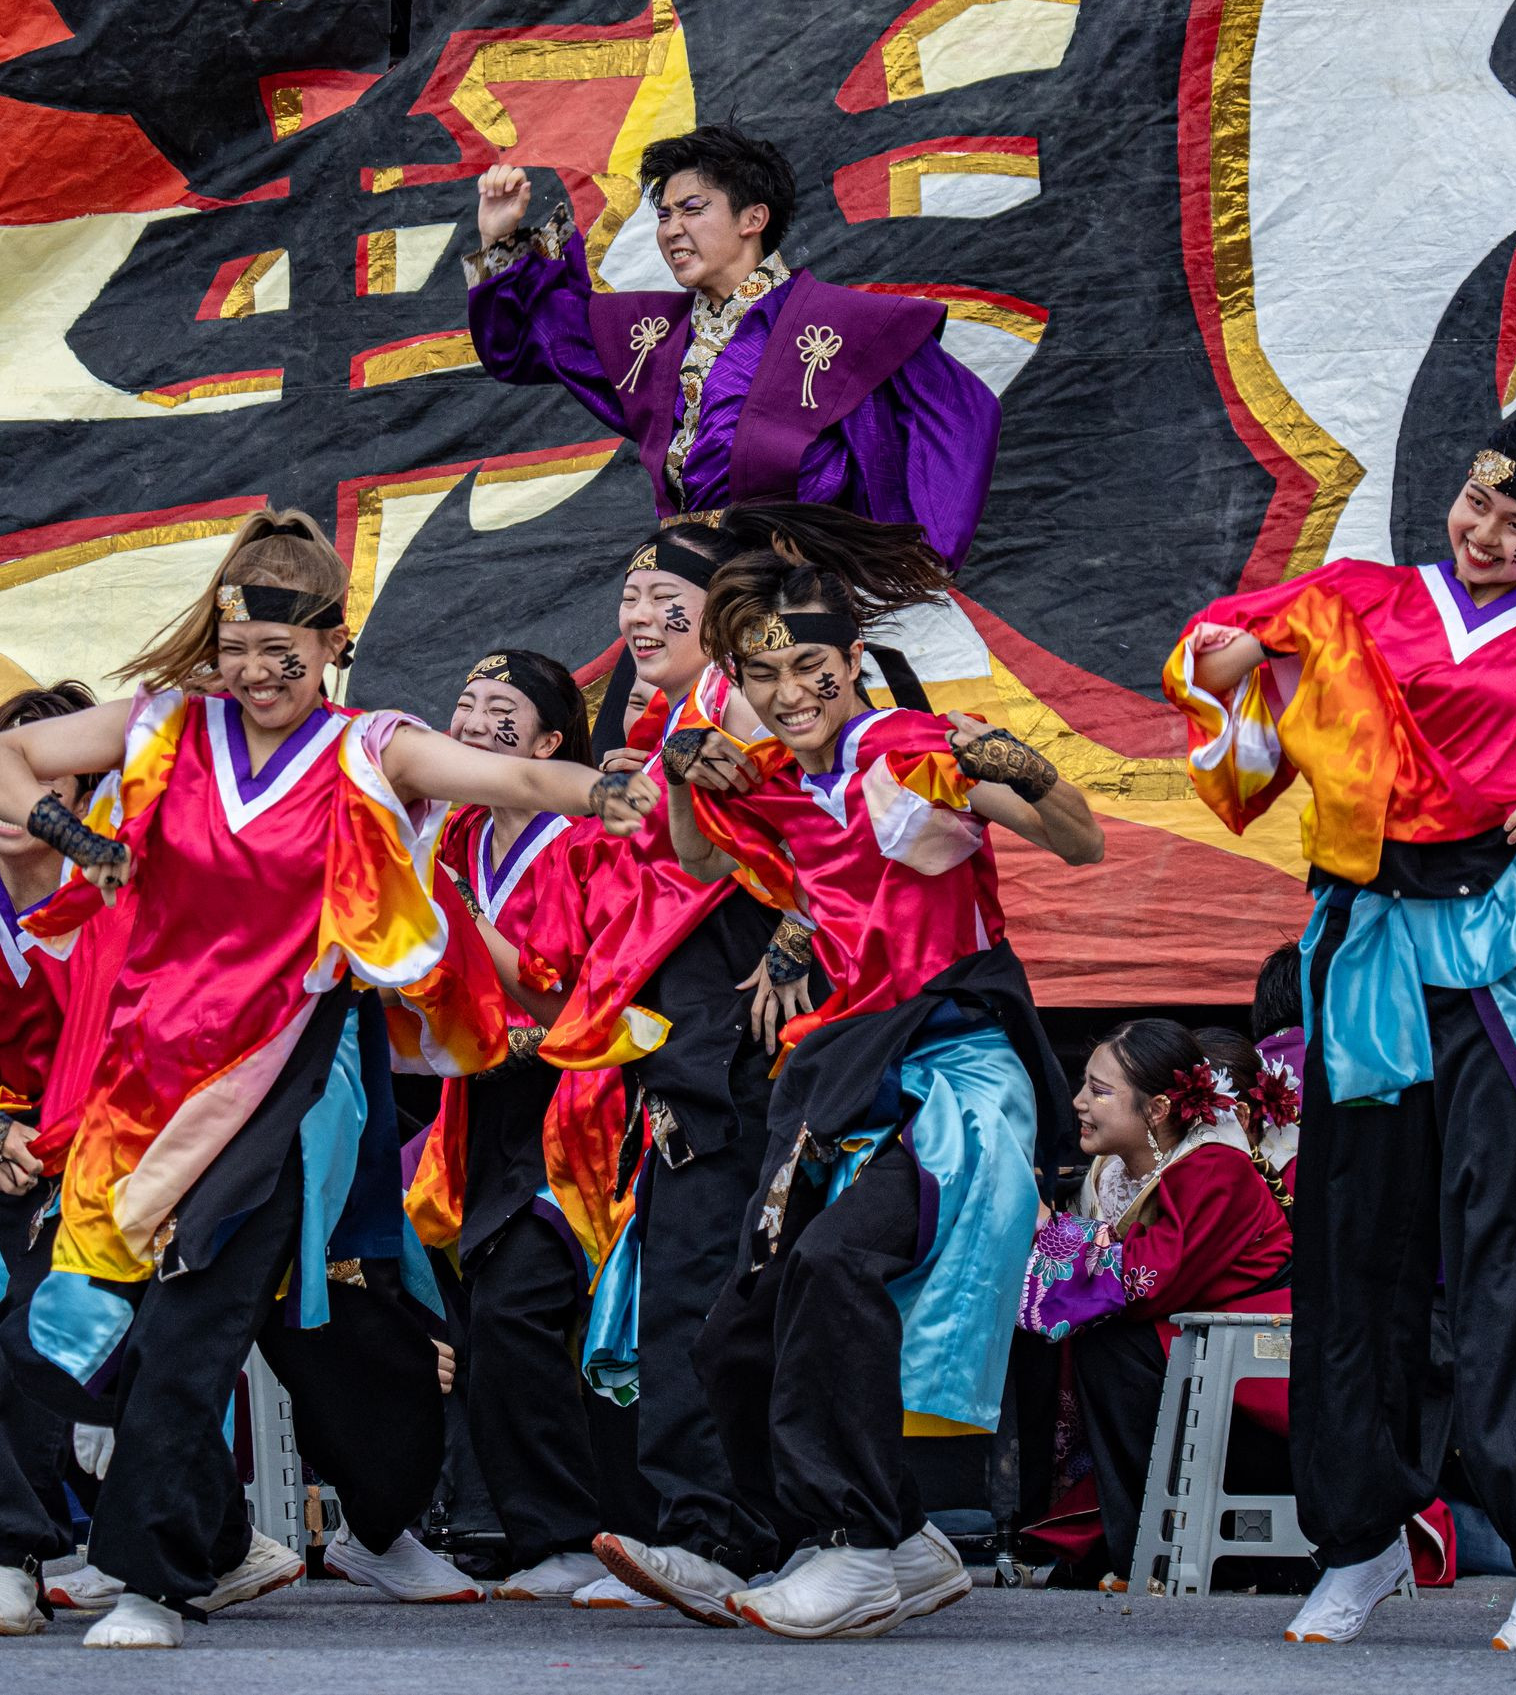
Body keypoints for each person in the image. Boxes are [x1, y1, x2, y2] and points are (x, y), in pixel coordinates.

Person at [0, 509, 649, 1650]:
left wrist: (600, 794)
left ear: (331, 644)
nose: (257, 674)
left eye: (283, 653)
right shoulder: (166, 724)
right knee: (66, 1316)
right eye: (236, 652)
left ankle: (152, 1584)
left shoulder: (365, 749)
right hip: (134, 1083)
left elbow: (509, 770)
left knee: (198, 1333)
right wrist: (78, 842)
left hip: (271, 1088)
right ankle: (44, 1545)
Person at [1169, 412, 1516, 1655]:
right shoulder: (1357, 596)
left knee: (1502, 1250)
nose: (1488, 537)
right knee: (1353, 1247)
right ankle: (1358, 1539)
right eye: (1477, 506)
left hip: (1494, 955)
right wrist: (1227, 667)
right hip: (1364, 948)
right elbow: (1220, 671)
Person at [653, 550, 1098, 1640]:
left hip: (952, 1070)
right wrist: (679, 772)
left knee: (833, 1266)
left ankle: (854, 1545)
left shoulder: (911, 752)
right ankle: (884, 1540)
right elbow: (698, 862)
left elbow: (1080, 841)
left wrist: (1027, 770)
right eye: (762, 676)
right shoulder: (770, 780)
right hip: (841, 1078)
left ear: (852, 659)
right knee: (738, 1327)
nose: (788, 693)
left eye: (808, 667)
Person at [552, 507, 955, 1608]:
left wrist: (791, 934)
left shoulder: (759, 699)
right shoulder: (673, 718)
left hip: (761, 1032)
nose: (638, 616)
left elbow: (842, 838)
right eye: (628, 598)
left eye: (665, 597)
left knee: (740, 1284)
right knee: (719, 1287)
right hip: (695, 1033)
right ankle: (820, 1527)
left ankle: (750, 1531)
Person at [467, 129, 1001, 562]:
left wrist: (903, 554)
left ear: (753, 219)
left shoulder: (844, 325)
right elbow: (534, 340)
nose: (672, 230)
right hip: (686, 583)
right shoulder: (654, 331)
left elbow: (960, 412)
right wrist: (497, 237)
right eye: (664, 215)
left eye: (692, 208)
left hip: (795, 590)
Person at [416, 649, 653, 1605]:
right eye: (465, 700)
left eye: (499, 707)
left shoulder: (590, 842)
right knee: (489, 1322)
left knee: (528, 1310)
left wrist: (462, 916)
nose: (472, 719)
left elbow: (583, 992)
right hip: (483, 1107)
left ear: (552, 742)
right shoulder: (454, 831)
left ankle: (595, 1531)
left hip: (581, 1105)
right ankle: (552, 1531)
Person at [0, 687, 141, 1637]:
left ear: (81, 796)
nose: (14, 797)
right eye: (2, 768)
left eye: (45, 778)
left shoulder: (118, 879)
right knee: (61, 1331)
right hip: (1, 1144)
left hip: (113, 1138)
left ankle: (4, 1557)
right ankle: (209, 1537)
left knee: (37, 1323)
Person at [1018, 1019, 1291, 1588]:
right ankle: (1138, 1546)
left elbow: (1151, 1279)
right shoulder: (1116, 1171)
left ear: (1159, 1108)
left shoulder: (1216, 1168)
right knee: (1074, 1345)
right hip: (1201, 1333)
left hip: (1262, 1357)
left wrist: (1051, 1231)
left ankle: (1154, 1550)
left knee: (1114, 1350)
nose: (1079, 1102)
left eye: (1099, 1091)